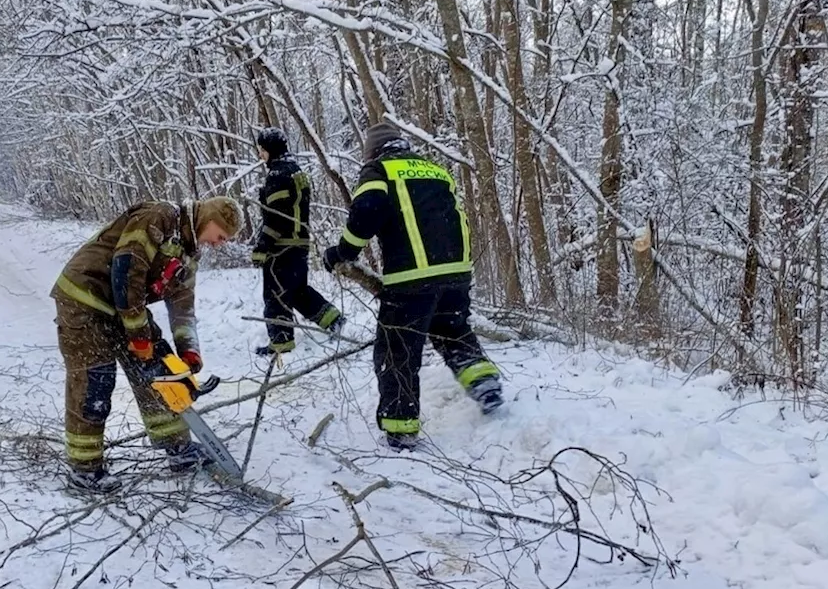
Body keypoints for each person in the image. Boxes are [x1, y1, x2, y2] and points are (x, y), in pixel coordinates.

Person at [322, 122, 503, 451]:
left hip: (412, 278)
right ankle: (483, 381)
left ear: (373, 151)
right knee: (452, 329)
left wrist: (341, 253)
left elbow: (366, 211)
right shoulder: (435, 170)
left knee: (396, 351)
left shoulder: (379, 170)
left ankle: (400, 427)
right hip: (457, 273)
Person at [50, 196, 243, 486]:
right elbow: (126, 272)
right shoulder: (159, 218)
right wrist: (139, 338)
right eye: (220, 236)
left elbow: (183, 306)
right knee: (95, 381)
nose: (219, 244)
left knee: (163, 369)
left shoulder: (189, 255)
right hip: (85, 298)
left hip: (122, 306)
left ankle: (177, 447)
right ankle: (85, 468)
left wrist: (188, 351)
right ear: (209, 219)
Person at [251, 128, 345, 356]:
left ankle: (281, 341)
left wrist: (262, 246)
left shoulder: (277, 175)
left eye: (262, 149)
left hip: (281, 247)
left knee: (276, 294)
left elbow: (277, 217)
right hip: (300, 243)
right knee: (297, 290)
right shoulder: (295, 171)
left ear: (269, 149)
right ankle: (332, 318)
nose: (260, 154)